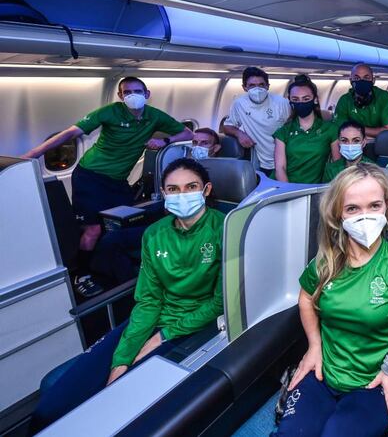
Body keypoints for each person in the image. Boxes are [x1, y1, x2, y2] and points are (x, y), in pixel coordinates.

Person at [28, 158, 224, 433]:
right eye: (173, 189)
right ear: (164, 194)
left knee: (114, 410)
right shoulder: (155, 234)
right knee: (51, 410)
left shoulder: (226, 228)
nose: (182, 195)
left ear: (206, 190)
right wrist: (122, 358)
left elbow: (219, 301)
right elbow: (148, 300)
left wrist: (162, 336)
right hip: (151, 319)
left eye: (191, 187)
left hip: (194, 326)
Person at [275, 164, 388, 437]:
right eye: (353, 209)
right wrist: (314, 346)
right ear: (338, 214)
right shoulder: (327, 261)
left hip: (370, 384)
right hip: (324, 374)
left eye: (374, 206)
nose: (365, 216)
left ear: (386, 208)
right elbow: (306, 299)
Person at [22, 77, 192, 295]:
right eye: (127, 92)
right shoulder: (109, 112)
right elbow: (70, 133)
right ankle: (80, 275)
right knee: (92, 229)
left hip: (118, 181)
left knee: (126, 222)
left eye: (138, 91)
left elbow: (187, 133)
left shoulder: (155, 117)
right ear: (121, 96)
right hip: (90, 176)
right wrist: (31, 156)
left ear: (147, 94)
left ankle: (112, 267)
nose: (133, 95)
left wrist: (164, 141)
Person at [222, 67, 291, 176]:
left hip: (288, 158)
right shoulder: (239, 104)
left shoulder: (282, 103)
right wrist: (240, 134)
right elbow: (227, 127)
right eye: (252, 85)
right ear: (244, 87)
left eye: (261, 85)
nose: (257, 89)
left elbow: (293, 125)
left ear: (268, 86)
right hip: (264, 162)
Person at [274, 75, 340, 184]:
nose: (300, 103)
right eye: (295, 99)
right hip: (287, 187)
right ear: (290, 101)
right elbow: (280, 169)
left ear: (315, 100)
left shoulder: (331, 129)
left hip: (316, 188)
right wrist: (289, 194)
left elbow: (337, 165)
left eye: (306, 99)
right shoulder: (283, 132)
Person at [334, 63, 388, 139]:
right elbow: (340, 129)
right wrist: (374, 132)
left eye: (366, 78)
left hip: (380, 142)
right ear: (351, 81)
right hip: (353, 143)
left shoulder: (383, 97)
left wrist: (357, 129)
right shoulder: (344, 100)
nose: (361, 81)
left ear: (373, 80)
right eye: (357, 78)